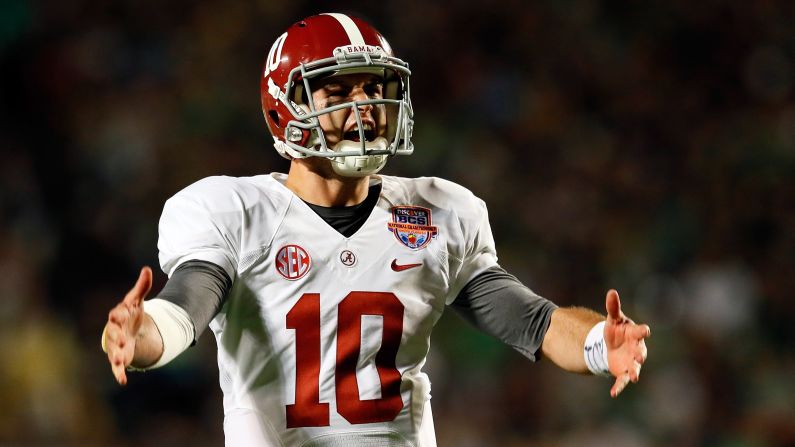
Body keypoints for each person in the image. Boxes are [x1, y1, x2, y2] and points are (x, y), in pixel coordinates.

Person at [102, 13, 650, 447]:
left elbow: (532, 322)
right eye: (338, 94)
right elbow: (187, 305)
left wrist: (603, 344)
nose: (365, 108)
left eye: (373, 90)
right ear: (283, 109)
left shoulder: (437, 212)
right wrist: (142, 333)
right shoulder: (235, 210)